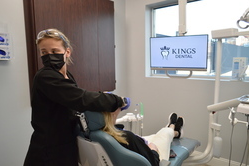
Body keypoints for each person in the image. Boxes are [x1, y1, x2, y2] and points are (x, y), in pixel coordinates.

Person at [24, 28, 130, 166]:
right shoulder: (45, 76)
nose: (49, 56)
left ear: (67, 52)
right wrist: (117, 101)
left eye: (55, 51)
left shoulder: (67, 76)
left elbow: (75, 97)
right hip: (48, 150)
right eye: (44, 52)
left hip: (65, 144)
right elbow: (80, 99)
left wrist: (101, 97)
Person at [102, 109, 184, 166]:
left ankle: (171, 129)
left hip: (142, 142)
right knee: (165, 134)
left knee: (156, 136)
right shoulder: (126, 137)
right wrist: (153, 150)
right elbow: (154, 163)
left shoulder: (95, 134)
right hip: (154, 156)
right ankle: (174, 129)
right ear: (112, 114)